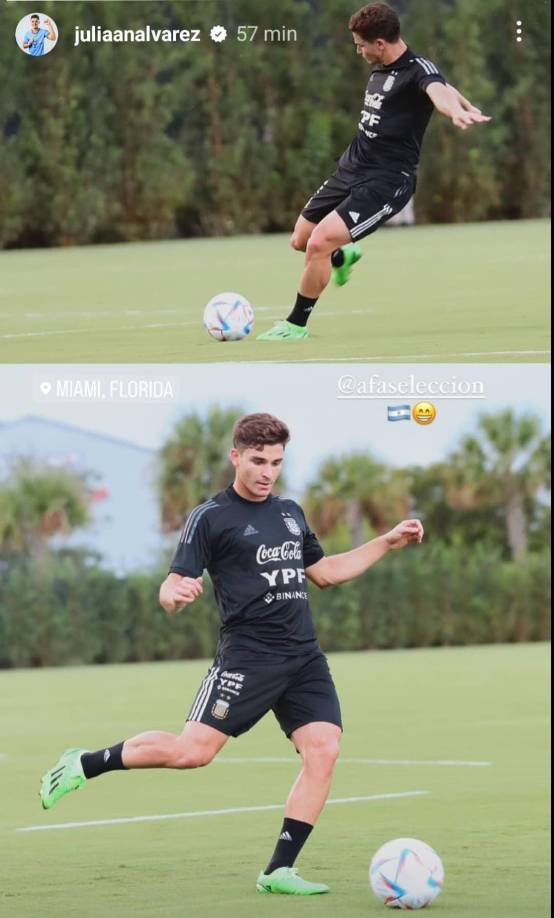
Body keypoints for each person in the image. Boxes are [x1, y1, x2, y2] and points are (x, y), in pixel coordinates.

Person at [40, 413, 424, 896]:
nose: (267, 472)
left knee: (324, 750)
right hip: (247, 659)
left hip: (304, 658)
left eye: (277, 463)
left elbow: (324, 572)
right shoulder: (210, 517)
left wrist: (387, 541)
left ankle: (278, 871)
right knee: (190, 753)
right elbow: (173, 582)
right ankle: (85, 763)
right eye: (258, 461)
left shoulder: (289, 512)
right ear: (236, 457)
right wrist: (172, 595)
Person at [257, 2, 490, 341]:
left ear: (380, 43)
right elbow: (444, 86)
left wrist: (455, 111)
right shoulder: (384, 64)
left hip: (386, 180)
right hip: (351, 167)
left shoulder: (417, 69)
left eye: (360, 45)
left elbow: (436, 89)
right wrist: (466, 104)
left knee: (318, 243)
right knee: (301, 240)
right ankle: (345, 254)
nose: (359, 51)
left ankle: (295, 325)